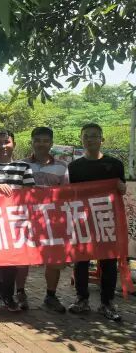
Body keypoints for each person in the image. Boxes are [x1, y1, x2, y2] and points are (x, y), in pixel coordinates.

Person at [68, 123, 126, 321]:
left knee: (109, 262)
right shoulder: (74, 167)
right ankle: (82, 300)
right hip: (82, 220)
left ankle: (106, 303)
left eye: (94, 136)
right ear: (81, 139)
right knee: (81, 261)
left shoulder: (115, 164)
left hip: (107, 219)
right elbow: (69, 194)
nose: (90, 139)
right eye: (86, 136)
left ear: (102, 139)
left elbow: (121, 189)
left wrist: (121, 187)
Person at [0, 131, 35, 312]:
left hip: (13, 222)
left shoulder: (23, 167)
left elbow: (29, 193)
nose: (3, 146)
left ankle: (7, 296)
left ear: (14, 144)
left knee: (11, 261)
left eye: (7, 142)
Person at [23, 127, 69, 313]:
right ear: (32, 142)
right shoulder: (21, 165)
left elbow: (66, 193)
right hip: (25, 218)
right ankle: (20, 293)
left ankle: (51, 295)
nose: (41, 144)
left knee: (54, 259)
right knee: (21, 257)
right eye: (37, 140)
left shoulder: (62, 166)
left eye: (45, 140)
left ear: (51, 143)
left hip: (52, 220)